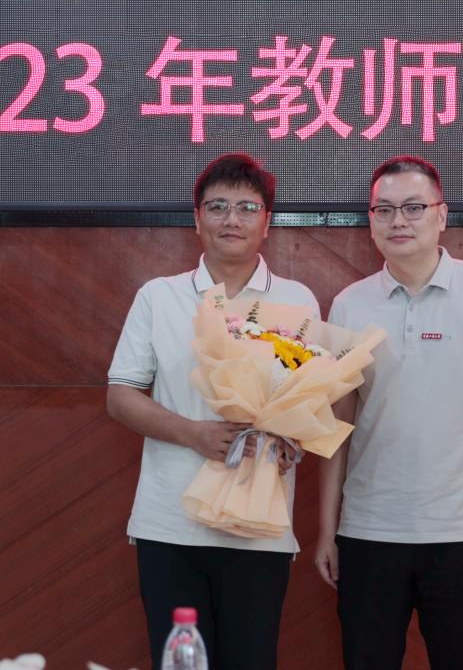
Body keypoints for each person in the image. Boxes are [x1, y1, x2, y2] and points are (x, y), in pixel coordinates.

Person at [315, 155, 463, 670]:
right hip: (368, 532)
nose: (399, 220)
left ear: (442, 215)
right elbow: (338, 424)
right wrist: (328, 529)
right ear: (371, 220)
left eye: (413, 207)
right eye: (384, 210)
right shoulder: (349, 304)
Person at [107, 153, 318, 670]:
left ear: (267, 221)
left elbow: (308, 400)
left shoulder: (296, 301)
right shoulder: (160, 297)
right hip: (170, 526)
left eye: (247, 208)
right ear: (197, 218)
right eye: (218, 206)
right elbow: (121, 395)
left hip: (259, 527)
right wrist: (193, 434)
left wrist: (289, 440)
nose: (232, 219)